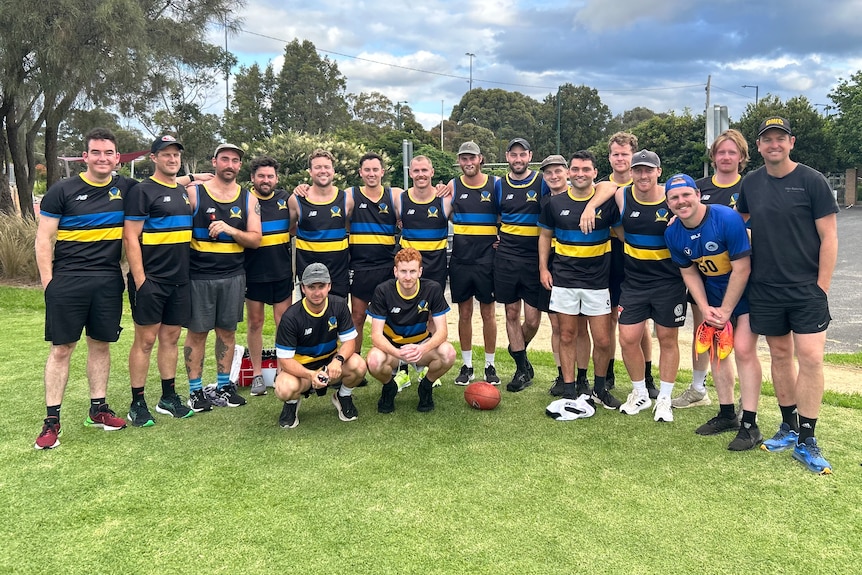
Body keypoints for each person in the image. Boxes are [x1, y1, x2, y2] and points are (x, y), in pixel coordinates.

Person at [737, 117, 838, 474]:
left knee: (810, 358)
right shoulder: (751, 183)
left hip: (806, 289)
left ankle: (807, 439)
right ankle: (788, 426)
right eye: (767, 139)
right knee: (780, 355)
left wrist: (821, 286)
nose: (774, 144)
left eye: (780, 138)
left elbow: (829, 236)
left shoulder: (812, 181)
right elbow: (736, 221)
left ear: (791, 142)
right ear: (759, 146)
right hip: (766, 287)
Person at [34, 128, 132, 447]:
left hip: (107, 281)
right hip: (68, 280)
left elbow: (162, 185)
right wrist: (49, 283)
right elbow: (44, 239)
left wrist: (195, 178)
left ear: (117, 158)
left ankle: (98, 409)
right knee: (62, 349)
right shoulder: (62, 190)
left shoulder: (126, 188)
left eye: (108, 153)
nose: (103, 158)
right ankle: (52, 421)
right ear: (85, 157)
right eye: (96, 153)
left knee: (100, 344)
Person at [664, 173, 763, 450]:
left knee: (743, 350)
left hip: (748, 290)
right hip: (715, 294)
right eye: (674, 198)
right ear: (668, 203)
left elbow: (742, 268)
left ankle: (750, 424)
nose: (681, 201)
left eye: (686, 195)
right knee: (718, 352)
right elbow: (689, 273)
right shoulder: (673, 233)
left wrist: (726, 309)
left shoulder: (726, 218)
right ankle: (727, 413)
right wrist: (706, 307)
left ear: (698, 194)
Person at [673, 129, 751, 409]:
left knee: (741, 343)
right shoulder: (699, 186)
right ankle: (698, 388)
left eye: (732, 152)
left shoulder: (750, 186)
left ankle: (745, 400)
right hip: (707, 275)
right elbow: (683, 211)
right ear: (713, 156)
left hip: (742, 270)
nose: (726, 157)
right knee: (704, 331)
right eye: (721, 152)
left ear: (742, 157)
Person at [123, 135, 196, 427]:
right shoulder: (142, 191)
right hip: (151, 280)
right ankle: (137, 403)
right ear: (154, 158)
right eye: (166, 154)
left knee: (171, 338)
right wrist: (141, 280)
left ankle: (168, 397)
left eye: (176, 154)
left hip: (180, 280)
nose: (172, 159)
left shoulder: (181, 191)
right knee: (145, 341)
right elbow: (130, 236)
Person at [538, 152, 621, 409]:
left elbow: (623, 235)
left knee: (603, 340)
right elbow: (544, 236)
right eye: (575, 169)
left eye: (586, 169)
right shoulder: (554, 203)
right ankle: (569, 390)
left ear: (595, 172)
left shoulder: (607, 203)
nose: (580, 173)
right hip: (564, 279)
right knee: (567, 335)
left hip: (598, 281)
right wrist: (543, 268)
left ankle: (599, 389)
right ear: (569, 172)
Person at [184, 143, 262, 412]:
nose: (230, 165)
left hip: (233, 275)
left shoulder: (248, 199)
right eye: (225, 159)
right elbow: (161, 187)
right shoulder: (195, 193)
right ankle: (195, 391)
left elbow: (255, 240)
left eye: (235, 160)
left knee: (227, 332)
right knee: (197, 334)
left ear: (240, 165)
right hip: (199, 275)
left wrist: (230, 230)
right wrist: (191, 177)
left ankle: (223, 387)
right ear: (214, 161)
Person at [580, 132, 657, 396]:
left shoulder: (645, 184)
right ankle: (608, 373)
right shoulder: (602, 186)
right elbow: (607, 188)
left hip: (638, 254)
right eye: (615, 154)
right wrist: (590, 207)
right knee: (611, 316)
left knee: (641, 322)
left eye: (625, 154)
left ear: (633, 157)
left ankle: (647, 376)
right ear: (609, 157)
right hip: (608, 254)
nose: (620, 158)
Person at [613, 150, 686, 422]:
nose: (643, 175)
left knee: (667, 339)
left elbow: (696, 215)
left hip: (669, 281)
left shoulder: (672, 198)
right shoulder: (622, 195)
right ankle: (640, 393)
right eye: (638, 170)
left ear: (659, 171)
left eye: (648, 170)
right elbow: (621, 231)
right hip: (634, 282)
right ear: (631, 172)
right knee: (627, 338)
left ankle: (664, 398)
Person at [273, 263, 367, 428]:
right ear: (303, 288)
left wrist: (338, 360)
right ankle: (292, 403)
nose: (317, 293)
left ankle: (343, 396)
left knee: (359, 365)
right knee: (284, 388)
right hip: (302, 371)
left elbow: (349, 342)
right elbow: (285, 361)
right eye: (311, 287)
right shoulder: (291, 317)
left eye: (321, 286)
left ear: (329, 286)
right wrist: (311, 375)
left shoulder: (339, 305)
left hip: (329, 366)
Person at [366, 248, 456, 412]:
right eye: (403, 271)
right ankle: (389, 387)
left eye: (413, 271)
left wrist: (422, 349)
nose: (408, 277)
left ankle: (426, 386)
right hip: (393, 349)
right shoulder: (383, 290)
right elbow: (376, 336)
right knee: (373, 361)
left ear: (420, 271)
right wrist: (397, 353)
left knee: (448, 353)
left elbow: (442, 332)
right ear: (395, 271)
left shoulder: (433, 289)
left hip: (421, 346)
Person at [495, 138, 548, 392]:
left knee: (533, 320)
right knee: (511, 313)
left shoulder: (542, 181)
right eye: (513, 154)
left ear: (530, 156)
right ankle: (521, 369)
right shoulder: (499, 185)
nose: (518, 159)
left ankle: (517, 350)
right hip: (506, 256)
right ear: (507, 156)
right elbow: (496, 215)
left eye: (522, 154)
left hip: (534, 258)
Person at [244, 156, 296, 397]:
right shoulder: (245, 200)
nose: (266, 180)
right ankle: (257, 374)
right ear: (252, 178)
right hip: (254, 273)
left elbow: (296, 223)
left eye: (270, 176)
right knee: (255, 323)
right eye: (261, 176)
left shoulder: (285, 198)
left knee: (283, 324)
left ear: (277, 178)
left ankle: (281, 370)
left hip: (282, 272)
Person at [449, 141, 500, 385]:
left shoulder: (495, 184)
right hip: (461, 258)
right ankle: (467, 365)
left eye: (472, 158)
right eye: (464, 158)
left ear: (480, 159)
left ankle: (490, 365)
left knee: (488, 313)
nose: (468, 162)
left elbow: (507, 212)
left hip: (487, 259)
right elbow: (441, 211)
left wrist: (502, 235)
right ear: (459, 161)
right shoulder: (453, 185)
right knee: (464, 313)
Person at [347, 153, 401, 361]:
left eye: (375, 169)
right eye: (367, 170)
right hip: (360, 267)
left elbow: (419, 201)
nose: (371, 174)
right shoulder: (350, 195)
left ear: (382, 172)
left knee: (392, 317)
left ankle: (394, 363)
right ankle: (355, 364)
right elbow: (325, 199)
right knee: (357, 317)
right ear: (360, 172)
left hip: (387, 266)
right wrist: (303, 189)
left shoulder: (394, 195)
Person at [289, 149, 353, 298]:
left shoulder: (346, 200)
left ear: (333, 171)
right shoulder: (297, 200)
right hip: (309, 273)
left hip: (338, 273)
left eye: (327, 167)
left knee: (338, 312)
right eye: (318, 167)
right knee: (309, 313)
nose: (323, 171)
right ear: (310, 172)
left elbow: (349, 228)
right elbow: (289, 228)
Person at [396, 155, 451, 290]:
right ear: (410, 173)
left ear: (432, 172)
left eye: (424, 170)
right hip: (409, 268)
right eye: (416, 171)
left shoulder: (445, 199)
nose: (421, 174)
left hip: (436, 267)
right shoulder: (400, 199)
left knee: (434, 303)